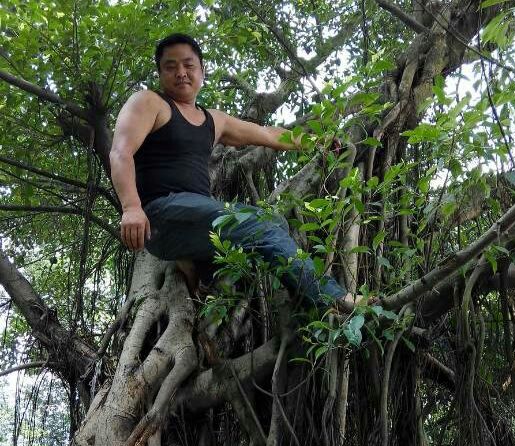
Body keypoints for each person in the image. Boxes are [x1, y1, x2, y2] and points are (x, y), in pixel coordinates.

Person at [110, 33, 360, 309]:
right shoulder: (149, 102)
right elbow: (120, 152)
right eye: (171, 67)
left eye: (188, 65)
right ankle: (334, 298)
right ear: (160, 74)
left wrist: (316, 141)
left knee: (277, 223)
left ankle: (201, 275)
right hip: (161, 214)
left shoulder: (214, 120)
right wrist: (131, 207)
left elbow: (267, 134)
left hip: (194, 220)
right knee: (261, 226)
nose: (181, 73)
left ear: (202, 71)